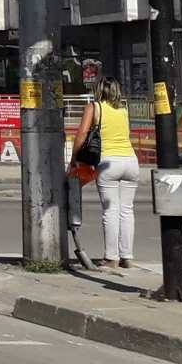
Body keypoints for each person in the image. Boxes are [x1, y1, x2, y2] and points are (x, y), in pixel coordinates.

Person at [71, 79, 138, 268]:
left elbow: (82, 134)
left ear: (99, 90)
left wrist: (74, 158)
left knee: (111, 210)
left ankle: (111, 258)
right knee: (127, 210)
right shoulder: (123, 110)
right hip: (131, 161)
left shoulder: (94, 107)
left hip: (109, 162)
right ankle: (127, 257)